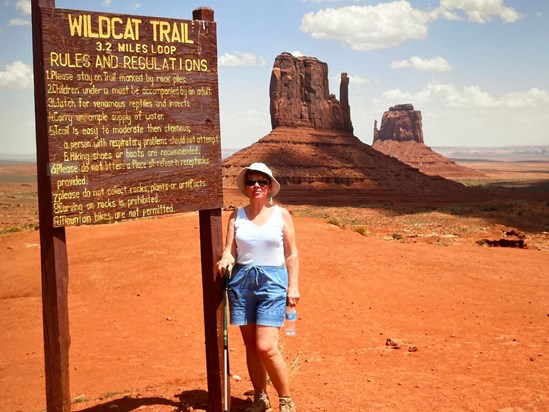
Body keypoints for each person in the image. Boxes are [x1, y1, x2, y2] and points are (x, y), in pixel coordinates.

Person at [216, 162, 300, 412]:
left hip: (273, 282)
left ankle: (286, 401)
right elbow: (230, 251)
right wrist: (225, 260)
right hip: (242, 283)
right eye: (251, 182)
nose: (256, 186)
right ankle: (260, 398)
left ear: (270, 187)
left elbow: (292, 254)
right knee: (251, 345)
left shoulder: (281, 215)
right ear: (246, 187)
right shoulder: (236, 216)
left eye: (261, 182)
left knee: (266, 345)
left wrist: (293, 286)